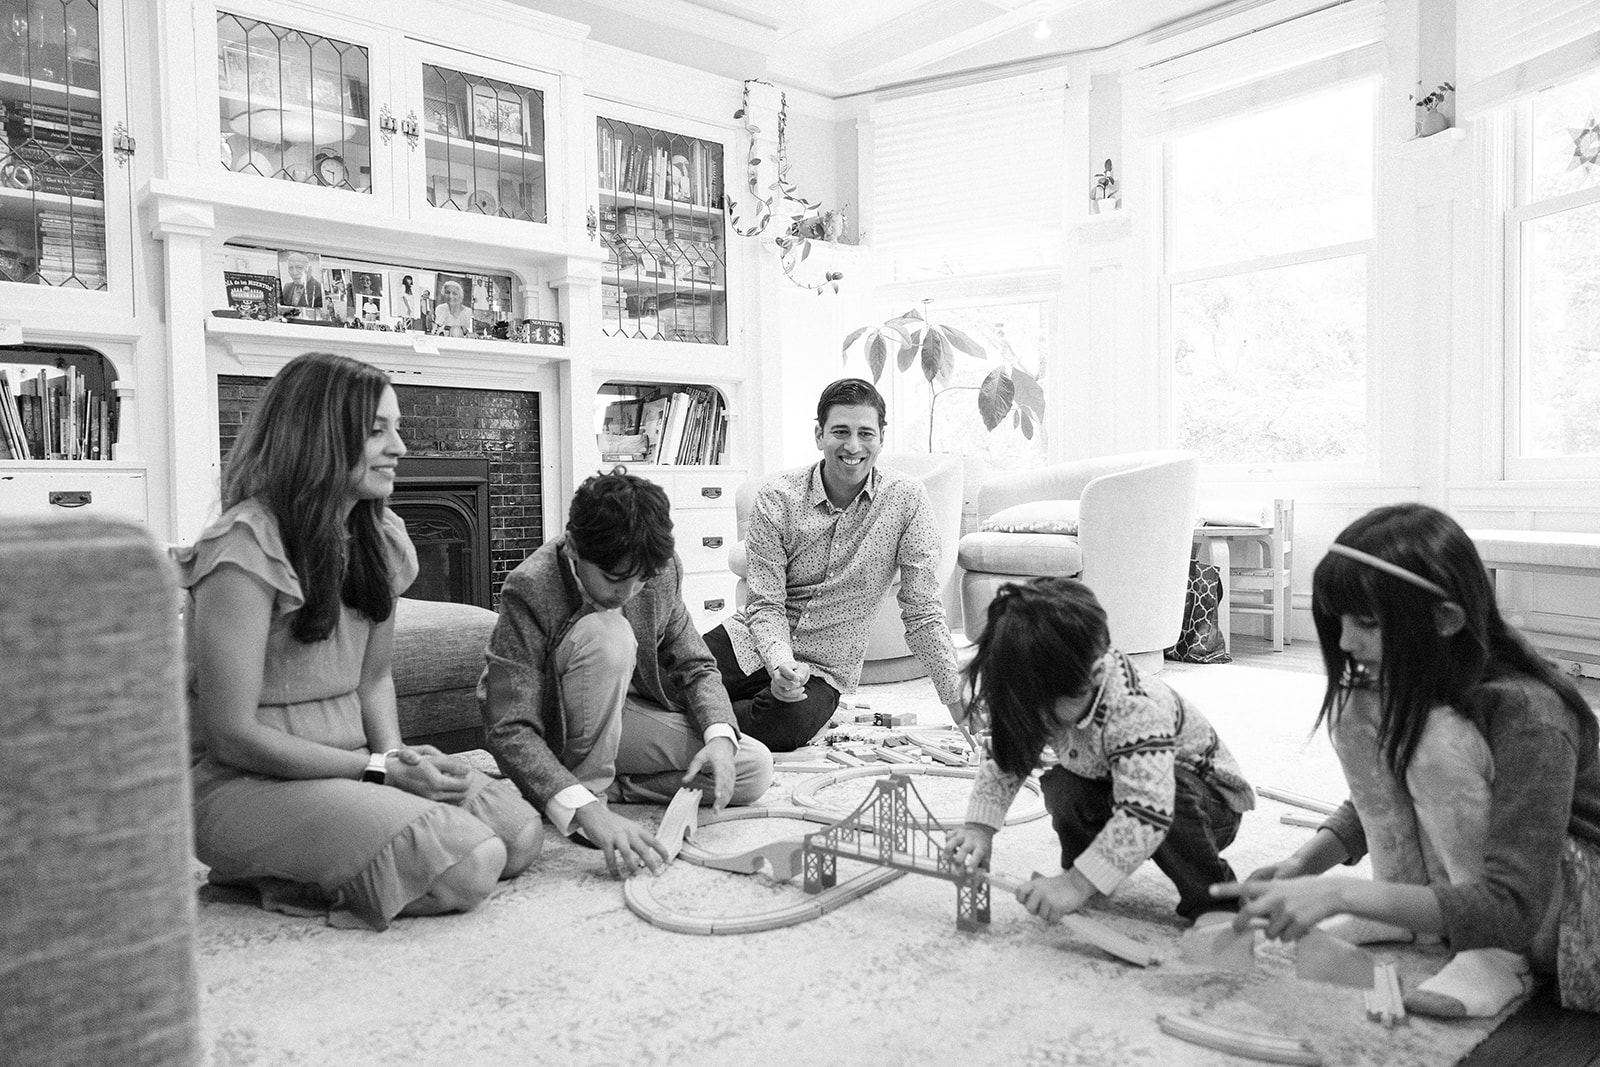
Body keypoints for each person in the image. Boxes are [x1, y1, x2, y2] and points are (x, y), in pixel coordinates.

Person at [174, 352, 543, 931]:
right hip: (241, 784)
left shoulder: (382, 537)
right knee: (473, 864)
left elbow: (374, 680)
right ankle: (272, 871)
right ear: (317, 436)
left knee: (519, 835)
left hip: (353, 769)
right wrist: (378, 772)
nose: (399, 447)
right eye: (377, 432)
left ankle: (341, 849)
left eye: (397, 428)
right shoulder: (242, 547)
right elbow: (231, 736)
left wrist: (397, 757)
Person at [1214, 504, 1600, 1017]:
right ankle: (1404, 908)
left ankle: (1493, 958)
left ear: (1446, 620)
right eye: (1340, 623)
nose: (1347, 642)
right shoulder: (1419, 681)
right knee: (1360, 712)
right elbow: (1390, 793)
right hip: (1524, 895)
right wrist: (1304, 864)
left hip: (1572, 911)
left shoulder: (1529, 715)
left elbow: (1515, 904)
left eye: (1367, 623)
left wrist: (1342, 895)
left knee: (1433, 740)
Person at [479, 468, 774, 878]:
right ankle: (586, 798)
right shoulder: (530, 587)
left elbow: (695, 662)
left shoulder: (661, 567)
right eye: (616, 579)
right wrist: (584, 810)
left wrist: (720, 736)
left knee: (750, 768)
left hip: (623, 713)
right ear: (574, 549)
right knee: (607, 633)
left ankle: (593, 789)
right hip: (555, 728)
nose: (629, 592)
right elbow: (508, 726)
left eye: (642, 579)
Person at [944, 578, 1255, 924]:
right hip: (1115, 783)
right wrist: (979, 828)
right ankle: (1092, 870)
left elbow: (1146, 812)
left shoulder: (1135, 708)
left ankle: (1218, 902)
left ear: (1092, 677)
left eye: (1044, 711)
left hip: (1205, 806)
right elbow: (1007, 755)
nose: (1036, 722)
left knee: (1168, 800)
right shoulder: (1047, 694)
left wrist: (1075, 886)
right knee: (1064, 785)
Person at [702, 378, 965, 751]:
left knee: (786, 726)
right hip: (750, 642)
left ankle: (699, 717)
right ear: (819, 435)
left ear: (881, 437)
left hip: (823, 671)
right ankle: (707, 713)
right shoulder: (777, 499)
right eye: (840, 431)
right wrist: (779, 664)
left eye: (865, 433)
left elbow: (922, 610)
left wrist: (955, 696)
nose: (853, 446)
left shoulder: (907, 500)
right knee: (665, 679)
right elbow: (765, 604)